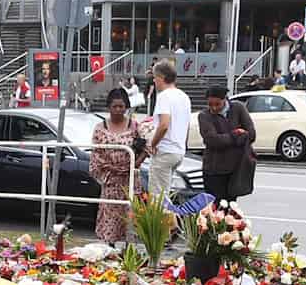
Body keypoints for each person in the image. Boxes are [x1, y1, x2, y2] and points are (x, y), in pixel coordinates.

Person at [87, 87, 144, 244]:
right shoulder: (100, 128)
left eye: (122, 106)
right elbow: (96, 154)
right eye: (115, 106)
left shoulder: (134, 126)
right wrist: (110, 169)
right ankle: (109, 250)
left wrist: (133, 165)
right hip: (110, 181)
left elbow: (147, 148)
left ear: (126, 107)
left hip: (129, 181)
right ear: (109, 107)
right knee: (110, 219)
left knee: (130, 218)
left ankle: (128, 252)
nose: (118, 110)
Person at [197, 84, 256, 203]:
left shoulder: (238, 108)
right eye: (210, 104)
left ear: (225, 100)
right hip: (214, 170)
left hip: (234, 169)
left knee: (230, 206)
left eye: (217, 104)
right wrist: (235, 135)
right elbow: (212, 140)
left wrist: (229, 138)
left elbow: (251, 134)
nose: (213, 108)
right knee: (215, 207)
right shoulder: (204, 116)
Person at [148, 60, 190, 201]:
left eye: (154, 78)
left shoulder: (164, 96)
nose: (154, 81)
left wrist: (152, 144)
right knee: (165, 194)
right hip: (178, 150)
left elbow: (164, 124)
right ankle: (168, 221)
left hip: (165, 150)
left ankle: (161, 223)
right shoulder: (184, 97)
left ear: (161, 78)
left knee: (157, 198)